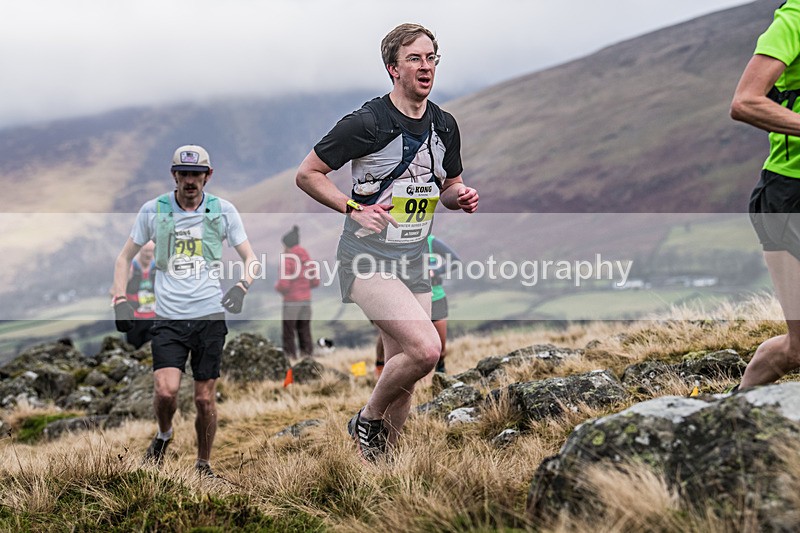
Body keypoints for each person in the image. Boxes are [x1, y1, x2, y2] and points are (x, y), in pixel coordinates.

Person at [296, 23, 479, 462]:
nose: (425, 67)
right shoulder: (367, 123)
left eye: (431, 58)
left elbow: (449, 185)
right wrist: (352, 208)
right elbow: (307, 174)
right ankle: (367, 418)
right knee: (426, 350)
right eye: (414, 58)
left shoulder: (445, 125)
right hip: (366, 257)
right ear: (393, 68)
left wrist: (460, 196)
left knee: (406, 372)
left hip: (413, 257)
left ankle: (383, 467)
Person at [111, 144, 259, 477]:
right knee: (166, 392)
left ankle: (203, 464)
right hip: (168, 318)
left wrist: (241, 286)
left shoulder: (223, 211)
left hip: (209, 317)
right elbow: (124, 257)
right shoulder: (154, 210)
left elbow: (251, 258)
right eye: (184, 173)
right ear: (174, 175)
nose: (190, 180)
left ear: (208, 176)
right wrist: (120, 299)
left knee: (204, 399)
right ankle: (164, 434)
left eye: (197, 174)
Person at [731, 0, 800, 389]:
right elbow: (745, 102)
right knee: (797, 350)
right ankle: (733, 412)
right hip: (788, 197)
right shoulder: (794, 19)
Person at [374, 234, 461, 376]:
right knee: (393, 336)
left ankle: (440, 376)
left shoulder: (431, 242)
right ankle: (382, 367)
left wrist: (435, 272)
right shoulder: (396, 242)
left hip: (436, 299)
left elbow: (455, 261)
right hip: (409, 299)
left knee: (440, 350)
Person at [274, 225, 319, 359]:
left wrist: (277, 288)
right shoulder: (308, 260)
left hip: (291, 302)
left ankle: (291, 360)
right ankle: (308, 360)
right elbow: (315, 282)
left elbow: (284, 284)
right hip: (306, 301)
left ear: (287, 245)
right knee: (305, 331)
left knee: (288, 333)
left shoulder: (288, 260)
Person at [124, 241, 157, 349]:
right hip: (134, 318)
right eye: (146, 251)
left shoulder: (158, 267)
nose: (148, 254)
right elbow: (117, 289)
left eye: (151, 251)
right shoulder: (130, 267)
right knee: (134, 349)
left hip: (153, 317)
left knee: (152, 350)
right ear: (140, 250)